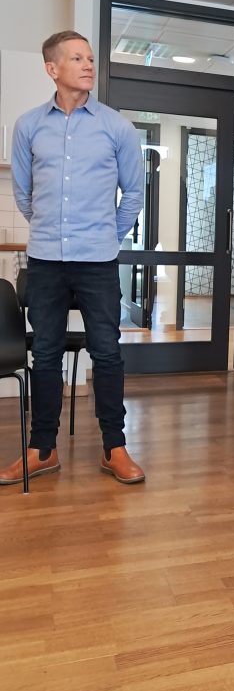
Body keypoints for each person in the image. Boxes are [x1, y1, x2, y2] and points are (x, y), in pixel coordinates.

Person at [0, 31, 145, 486]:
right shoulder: (28, 126)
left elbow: (134, 194)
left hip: (98, 262)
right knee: (44, 354)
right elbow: (24, 195)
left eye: (90, 58)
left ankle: (114, 447)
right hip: (44, 261)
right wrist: (50, 231)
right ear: (52, 69)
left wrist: (107, 234)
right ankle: (42, 449)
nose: (88, 65)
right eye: (77, 58)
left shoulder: (115, 126)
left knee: (107, 352)